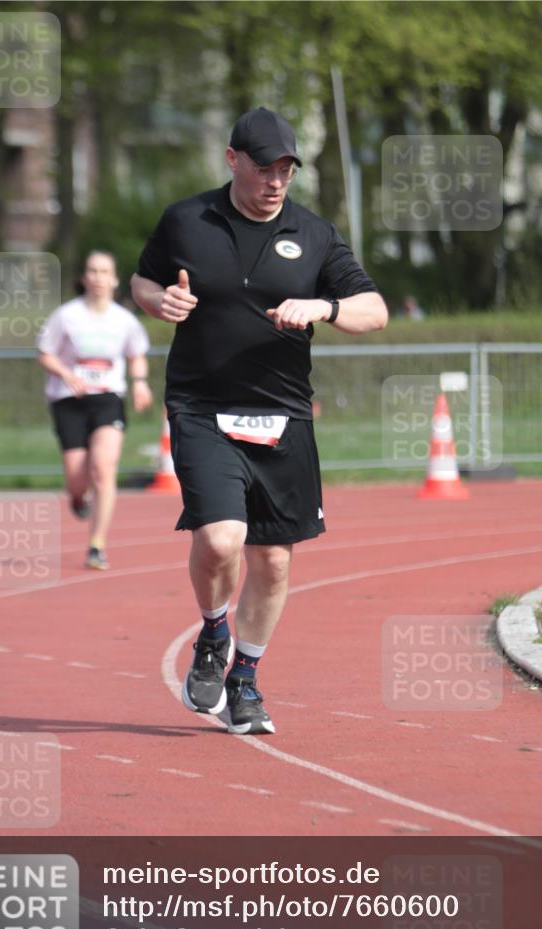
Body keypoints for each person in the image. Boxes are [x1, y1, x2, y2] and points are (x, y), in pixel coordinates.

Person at [132, 107, 387, 734]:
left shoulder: (316, 233)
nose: (276, 180)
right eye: (265, 167)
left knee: (272, 562)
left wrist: (324, 306)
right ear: (232, 160)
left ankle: (244, 680)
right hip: (200, 406)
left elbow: (374, 310)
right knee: (220, 539)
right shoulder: (186, 219)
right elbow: (142, 280)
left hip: (283, 414)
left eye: (286, 169)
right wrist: (157, 300)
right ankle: (212, 634)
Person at [38, 250, 153, 569]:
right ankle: (78, 496)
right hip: (69, 399)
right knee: (77, 477)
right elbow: (45, 353)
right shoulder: (66, 316)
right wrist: (66, 373)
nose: (99, 277)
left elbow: (137, 354)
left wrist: (140, 382)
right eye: (93, 271)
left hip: (107, 399)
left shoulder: (124, 320)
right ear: (84, 277)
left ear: (114, 279)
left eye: (105, 271)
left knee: (103, 468)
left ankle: (96, 544)